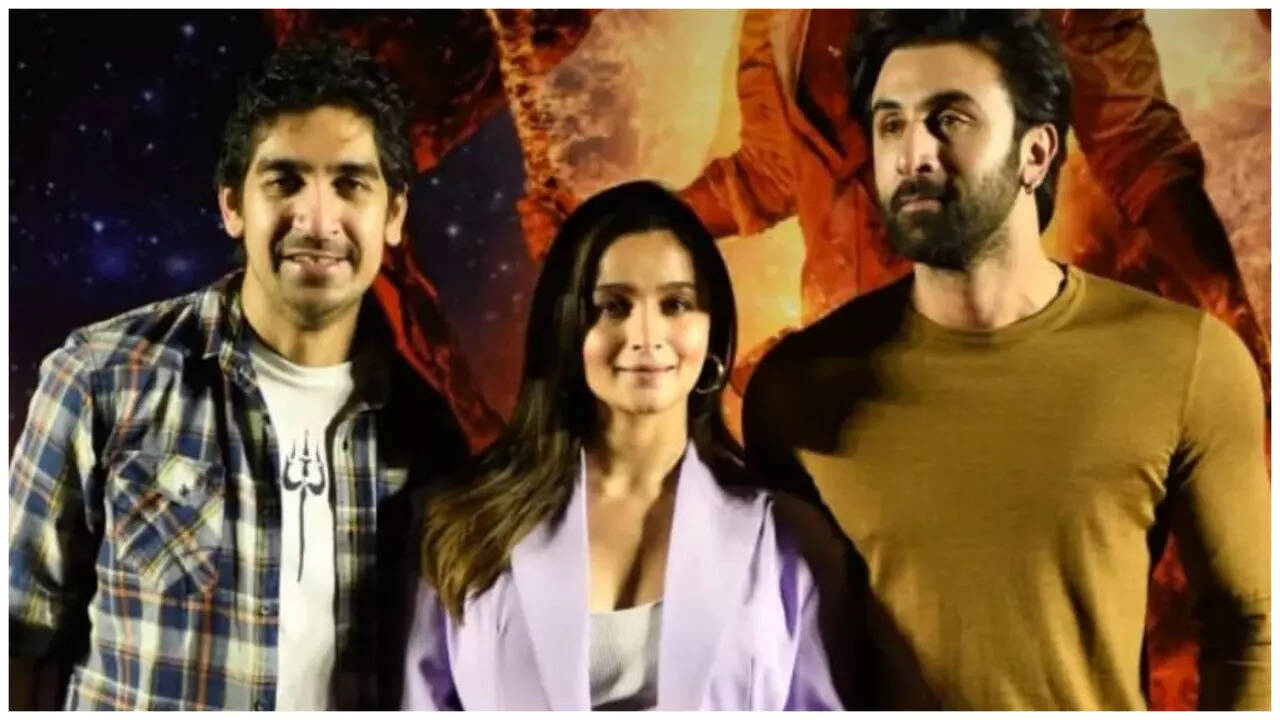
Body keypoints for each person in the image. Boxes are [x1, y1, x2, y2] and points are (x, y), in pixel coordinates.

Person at [742, 11, 1269, 710]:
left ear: (1037, 153)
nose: (912, 153)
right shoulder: (796, 390)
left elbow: (1249, 628)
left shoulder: (1185, 360)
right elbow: (775, 655)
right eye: (890, 123)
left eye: (950, 119)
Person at [8, 38, 470, 710]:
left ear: (393, 215)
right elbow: (17, 637)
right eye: (284, 181)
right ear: (232, 205)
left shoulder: (428, 436)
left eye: (350, 184)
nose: (317, 220)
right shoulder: (103, 378)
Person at [402, 180, 853, 710]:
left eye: (675, 304)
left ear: (712, 330)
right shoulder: (468, 526)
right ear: (568, 326)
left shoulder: (782, 539)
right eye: (613, 306)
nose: (645, 336)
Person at [681, 9, 1268, 396]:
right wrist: (638, 216)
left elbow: (1137, 149)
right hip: (840, 378)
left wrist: (1234, 323)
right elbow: (771, 172)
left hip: (1000, 367)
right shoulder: (782, 17)